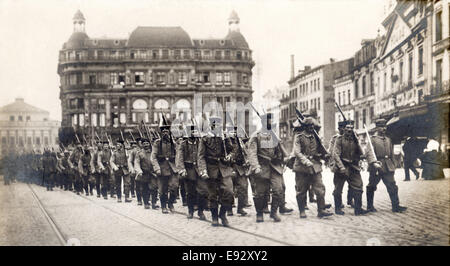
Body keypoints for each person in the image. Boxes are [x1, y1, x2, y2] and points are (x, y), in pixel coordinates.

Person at [248, 113, 288, 223]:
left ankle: (274, 212)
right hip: (262, 167)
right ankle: (259, 213)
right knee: (260, 193)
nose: (271, 123)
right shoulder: (256, 136)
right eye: (269, 121)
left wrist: (282, 159)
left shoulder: (274, 136)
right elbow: (252, 153)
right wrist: (256, 166)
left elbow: (279, 152)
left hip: (274, 167)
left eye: (271, 121)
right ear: (263, 123)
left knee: (278, 189)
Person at [292, 117, 333, 219]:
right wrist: (306, 161)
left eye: (312, 126)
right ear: (305, 127)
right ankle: (302, 211)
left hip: (315, 166)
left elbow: (321, 150)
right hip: (302, 167)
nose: (311, 128)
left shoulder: (316, 136)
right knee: (301, 190)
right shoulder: (299, 136)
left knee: (320, 188)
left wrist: (326, 157)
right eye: (309, 126)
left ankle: (321, 210)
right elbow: (297, 152)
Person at [198, 116, 235, 226]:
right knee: (212, 195)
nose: (217, 127)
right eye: (214, 125)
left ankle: (222, 214)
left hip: (224, 168)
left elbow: (232, 150)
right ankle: (215, 217)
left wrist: (230, 156)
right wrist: (203, 170)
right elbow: (201, 156)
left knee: (229, 192)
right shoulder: (204, 139)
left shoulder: (224, 138)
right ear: (210, 126)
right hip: (211, 169)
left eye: (218, 125)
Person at [366, 119, 407, 213]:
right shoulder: (372, 139)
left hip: (388, 166)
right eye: (381, 127)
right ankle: (369, 206)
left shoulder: (388, 139)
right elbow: (369, 152)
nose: (384, 129)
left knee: (392, 186)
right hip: (376, 166)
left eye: (385, 127)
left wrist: (394, 164)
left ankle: (395, 206)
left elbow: (391, 152)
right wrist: (373, 163)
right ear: (377, 127)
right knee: (372, 186)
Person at [333, 120, 368, 216]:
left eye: (351, 128)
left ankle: (358, 209)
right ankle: (337, 208)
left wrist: (358, 144)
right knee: (338, 189)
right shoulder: (339, 139)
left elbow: (360, 153)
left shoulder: (355, 139)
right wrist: (341, 167)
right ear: (344, 129)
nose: (349, 130)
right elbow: (335, 155)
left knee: (358, 186)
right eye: (347, 128)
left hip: (353, 167)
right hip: (342, 167)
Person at [176, 124, 207, 220]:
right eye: (192, 132)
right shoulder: (183, 144)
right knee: (190, 192)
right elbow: (179, 158)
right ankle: (190, 211)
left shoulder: (200, 143)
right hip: (188, 171)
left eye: (195, 132)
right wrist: (182, 169)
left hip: (199, 170)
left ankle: (201, 211)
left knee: (202, 191)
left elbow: (203, 156)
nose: (194, 134)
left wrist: (204, 170)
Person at [151, 121, 179, 213]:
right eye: (163, 132)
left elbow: (178, 154)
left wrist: (179, 167)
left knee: (174, 187)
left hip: (172, 168)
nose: (165, 133)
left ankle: (170, 203)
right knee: (163, 189)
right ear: (161, 133)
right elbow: (153, 157)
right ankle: (164, 206)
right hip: (162, 169)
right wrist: (157, 168)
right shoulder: (157, 143)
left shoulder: (173, 143)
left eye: (167, 131)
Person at [135, 138, 159, 209]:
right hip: (144, 173)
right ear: (141, 145)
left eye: (147, 143)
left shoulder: (153, 152)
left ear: (149, 144)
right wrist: (139, 171)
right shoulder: (139, 153)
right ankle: (146, 203)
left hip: (153, 173)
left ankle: (154, 203)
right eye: (144, 144)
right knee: (145, 188)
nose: (146, 145)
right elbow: (137, 163)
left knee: (154, 188)